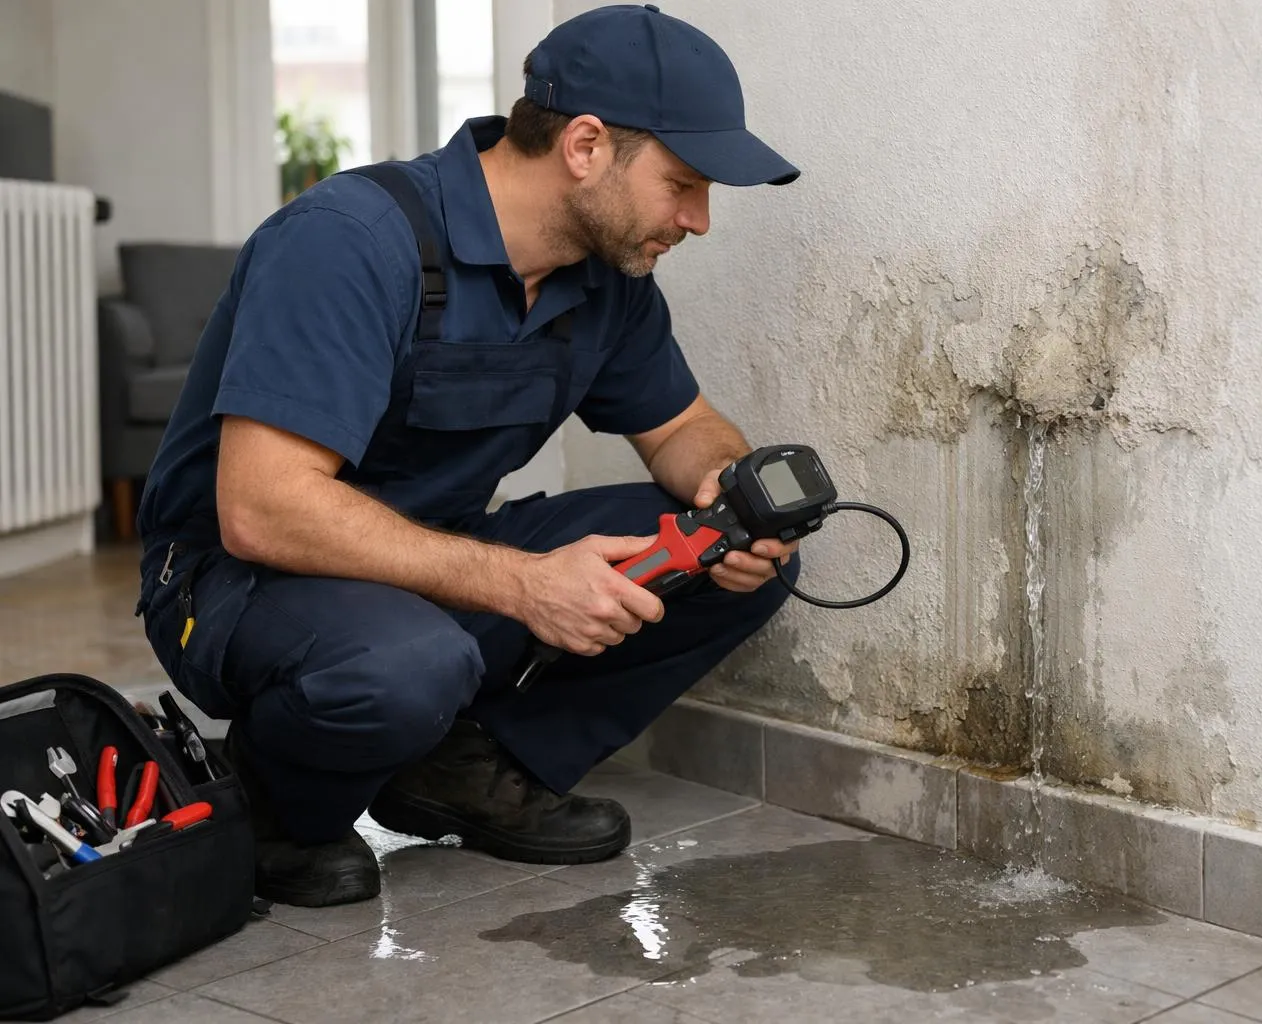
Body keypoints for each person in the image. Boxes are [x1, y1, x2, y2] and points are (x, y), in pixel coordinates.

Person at [133, 3, 801, 908]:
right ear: (586, 146)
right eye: (684, 183)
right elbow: (263, 507)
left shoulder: (609, 282)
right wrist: (525, 584)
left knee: (732, 551)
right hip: (235, 580)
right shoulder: (348, 242)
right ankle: (274, 797)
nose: (700, 219)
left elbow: (683, 427)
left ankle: (460, 764)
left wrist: (729, 489)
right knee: (409, 666)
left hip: (433, 566)